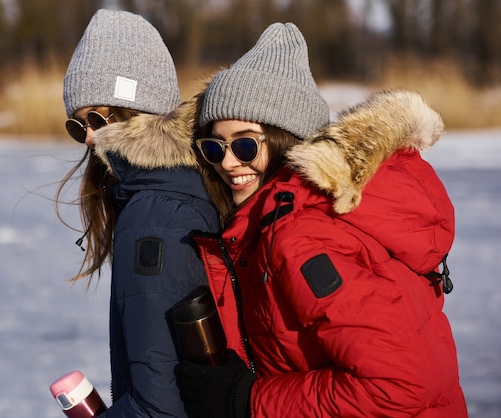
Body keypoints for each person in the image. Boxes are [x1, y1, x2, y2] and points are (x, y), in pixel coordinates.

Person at [125, 22, 467, 417]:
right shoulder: (283, 218)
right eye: (214, 148)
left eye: (245, 144)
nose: (228, 162)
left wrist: (246, 399)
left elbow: (399, 386)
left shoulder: (301, 235)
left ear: (286, 137)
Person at [55, 9, 219, 417]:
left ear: (137, 109)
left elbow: (160, 406)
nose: (90, 137)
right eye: (77, 127)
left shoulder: (154, 215)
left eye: (97, 118)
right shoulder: (178, 188)